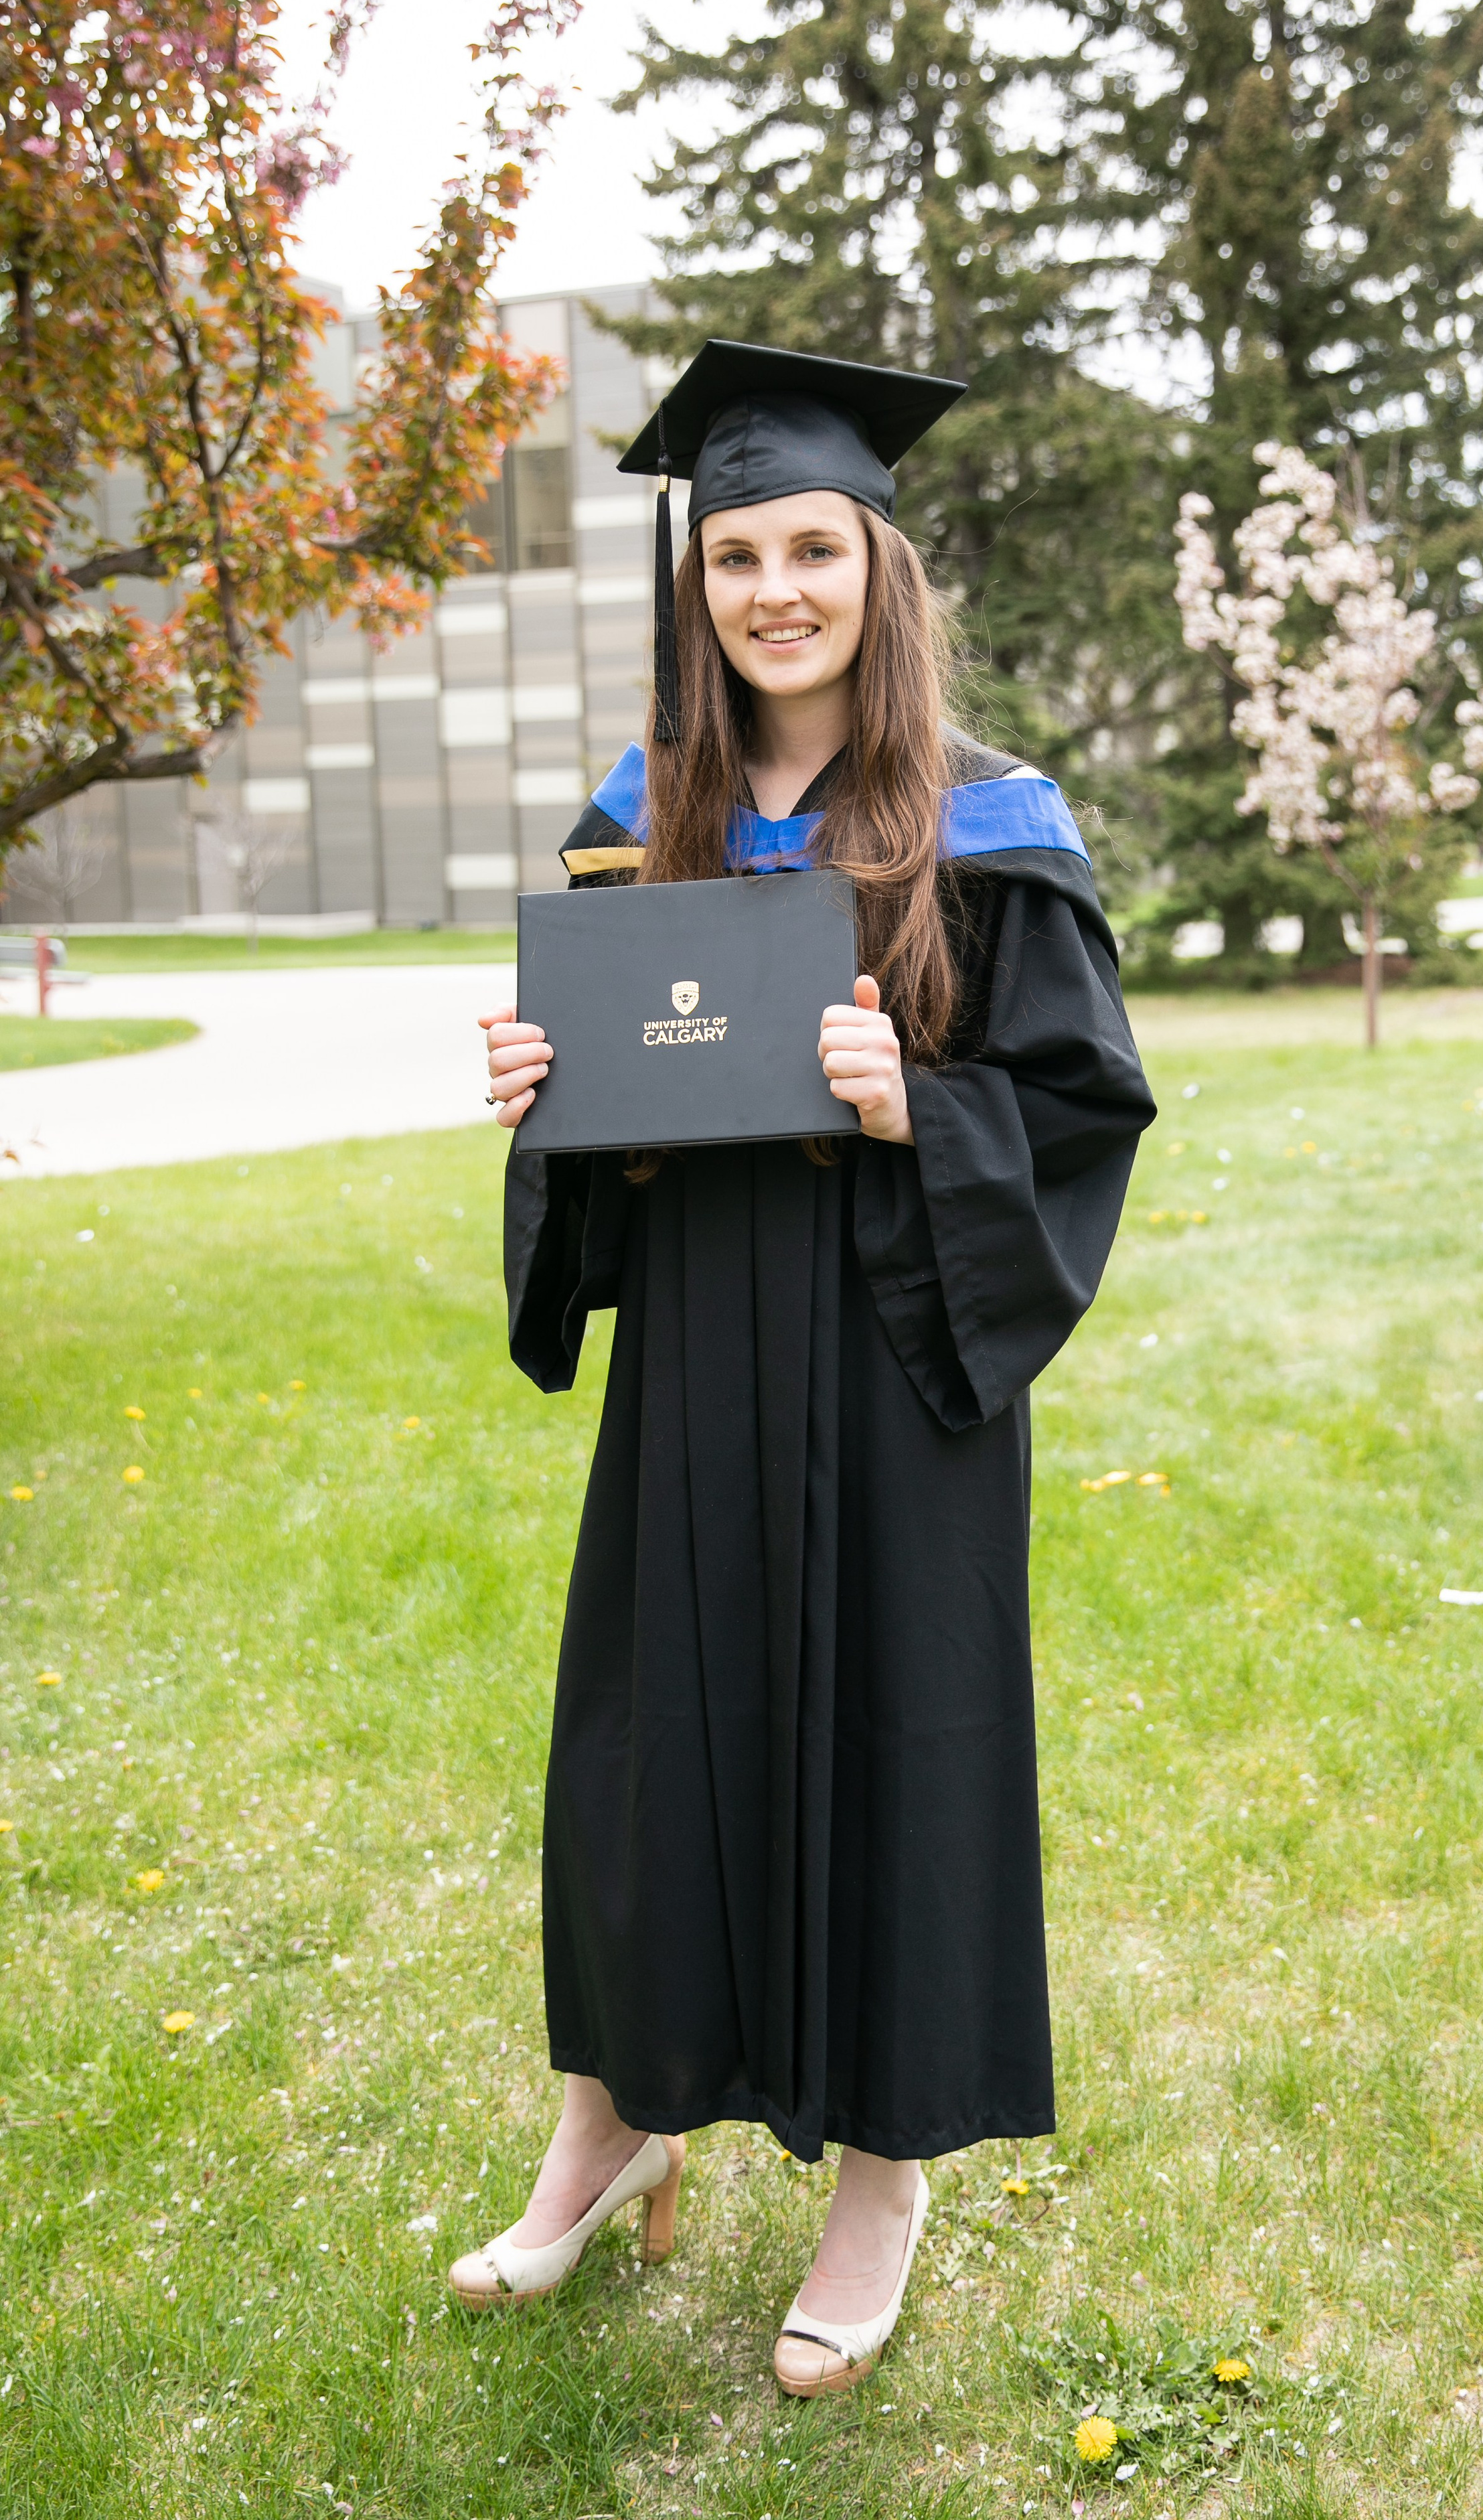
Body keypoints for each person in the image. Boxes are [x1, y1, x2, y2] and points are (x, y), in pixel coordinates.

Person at [463, 342, 1156, 2394]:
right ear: (697, 583)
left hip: (896, 1362)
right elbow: (607, 1135)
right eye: (736, 556)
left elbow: (1083, 1108)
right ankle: (615, 2119)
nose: (774, 590)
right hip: (698, 1355)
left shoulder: (988, 822)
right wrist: (546, 1097)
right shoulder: (641, 818)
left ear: (880, 566)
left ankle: (883, 2176)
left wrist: (910, 1107)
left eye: (812, 551)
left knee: (900, 1742)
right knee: (648, 1744)